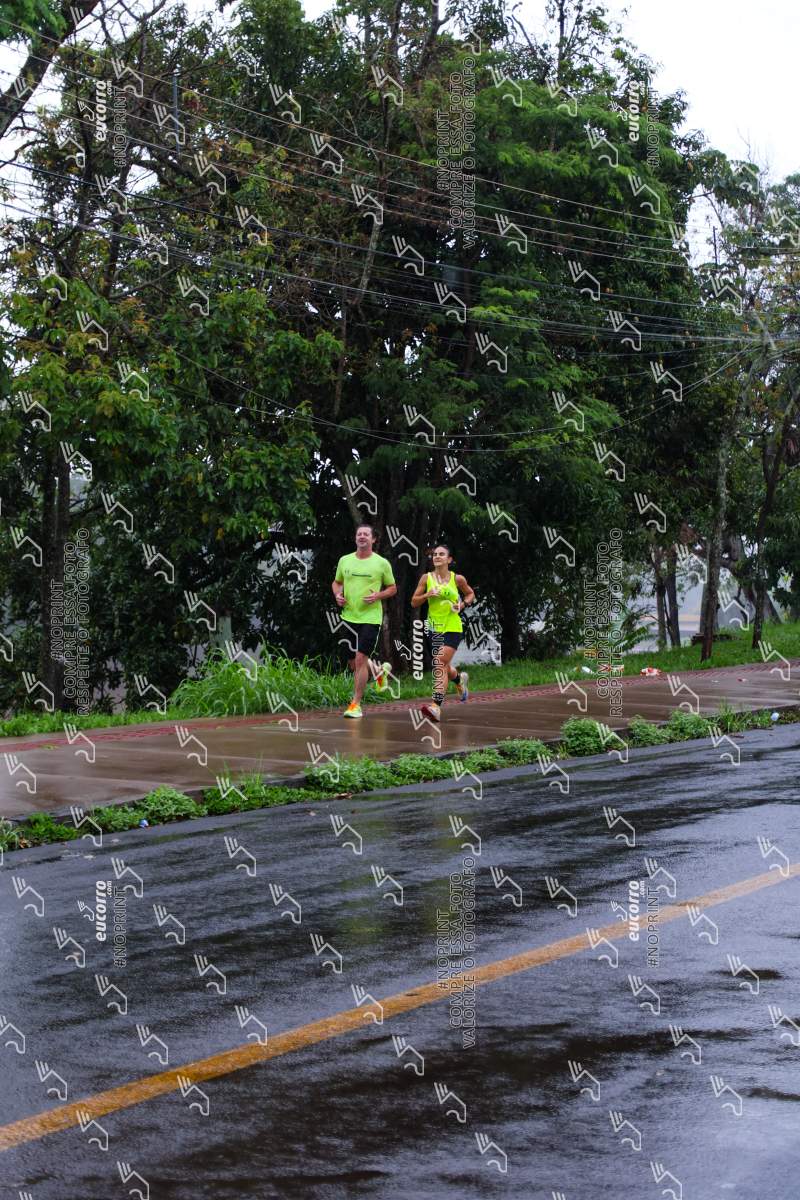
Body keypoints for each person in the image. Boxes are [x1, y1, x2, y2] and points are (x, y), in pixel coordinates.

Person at [332, 524, 397, 719]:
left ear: (373, 539)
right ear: (355, 538)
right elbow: (337, 582)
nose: (362, 536)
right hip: (348, 617)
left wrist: (378, 595)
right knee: (353, 663)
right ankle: (378, 672)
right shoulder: (345, 560)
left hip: (370, 618)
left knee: (360, 659)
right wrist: (338, 594)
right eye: (359, 534)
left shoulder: (381, 563)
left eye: (366, 534)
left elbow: (392, 588)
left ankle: (355, 704)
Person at [410, 544, 475, 723]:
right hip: (434, 628)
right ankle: (459, 679)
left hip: (452, 627)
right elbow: (414, 602)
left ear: (449, 559)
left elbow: (470, 594)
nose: (437, 556)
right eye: (435, 554)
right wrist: (427, 595)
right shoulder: (426, 578)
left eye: (441, 554)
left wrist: (462, 605)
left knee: (439, 663)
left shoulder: (457, 579)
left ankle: (435, 706)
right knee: (444, 666)